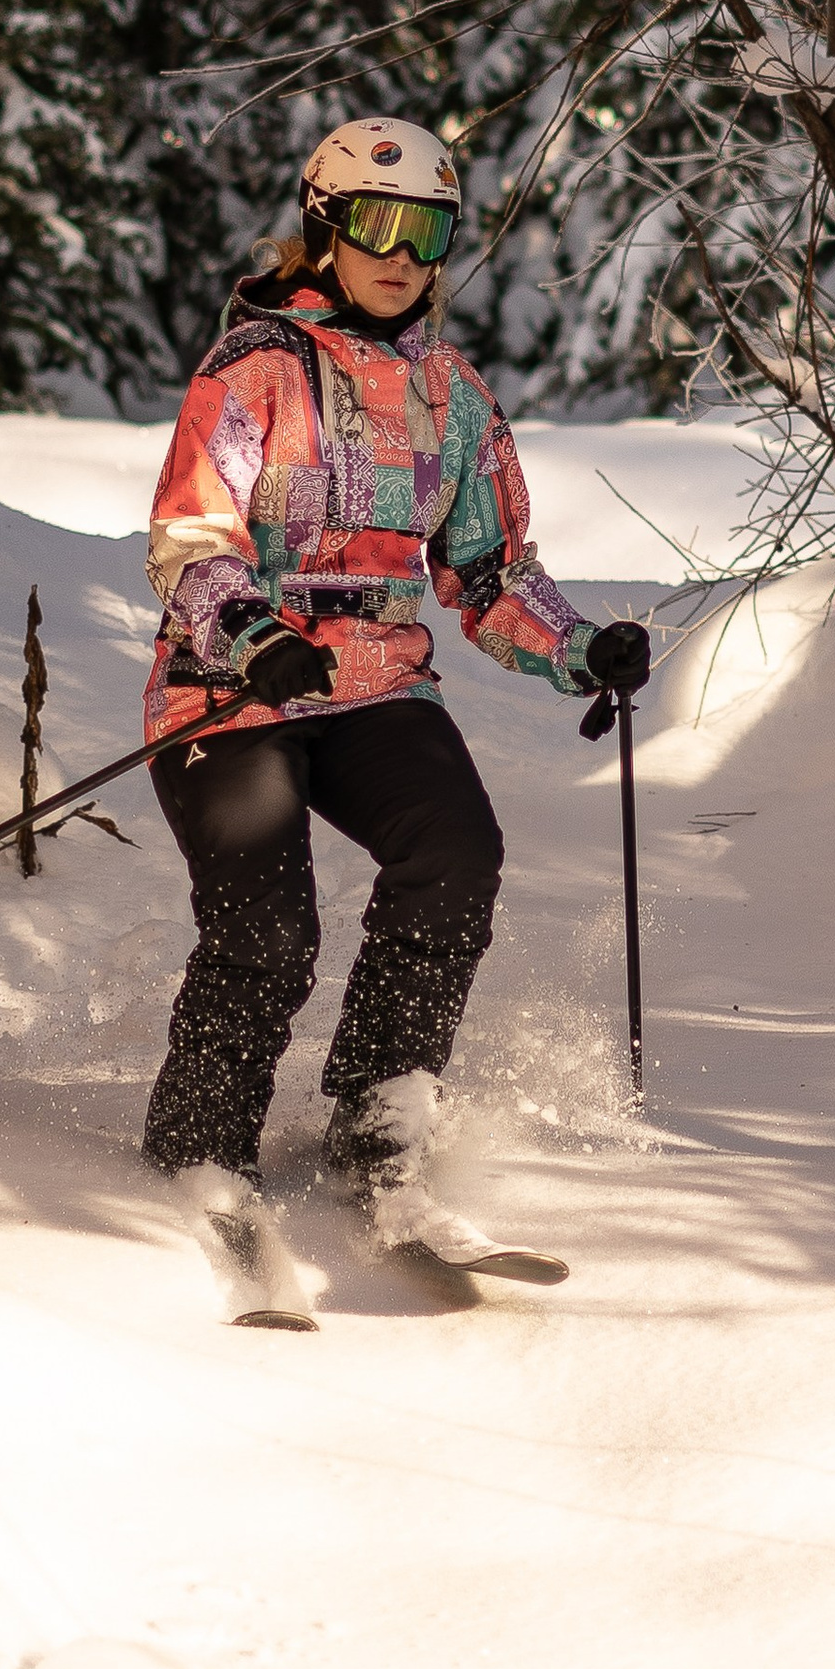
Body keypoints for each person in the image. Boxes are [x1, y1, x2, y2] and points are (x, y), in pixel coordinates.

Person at [136, 112, 651, 1256]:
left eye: (428, 231)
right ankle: (203, 1145)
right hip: (234, 688)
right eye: (376, 223)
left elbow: (489, 569)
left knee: (456, 856)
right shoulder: (252, 369)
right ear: (324, 226)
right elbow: (191, 535)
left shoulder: (449, 394)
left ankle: (376, 1123)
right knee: (270, 933)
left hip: (374, 687)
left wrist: (579, 646)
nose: (401, 253)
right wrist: (252, 632)